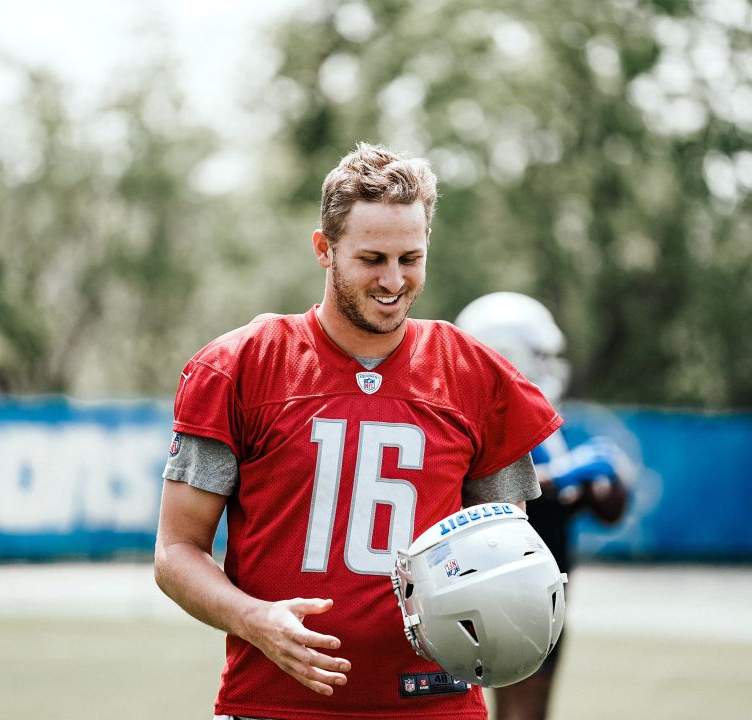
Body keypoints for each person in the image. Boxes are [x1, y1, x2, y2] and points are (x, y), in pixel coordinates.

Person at [152, 143, 563, 720]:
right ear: (324, 249)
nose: (394, 280)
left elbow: (501, 545)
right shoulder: (240, 366)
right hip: (276, 705)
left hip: (435, 707)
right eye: (372, 258)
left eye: (410, 258)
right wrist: (252, 618)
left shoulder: (473, 374)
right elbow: (176, 551)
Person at [455, 292, 631, 720]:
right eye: (540, 354)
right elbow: (480, 490)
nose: (550, 366)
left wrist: (604, 484)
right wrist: (564, 476)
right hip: (496, 586)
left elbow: (608, 511)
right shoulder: (470, 419)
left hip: (544, 584)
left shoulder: (544, 421)